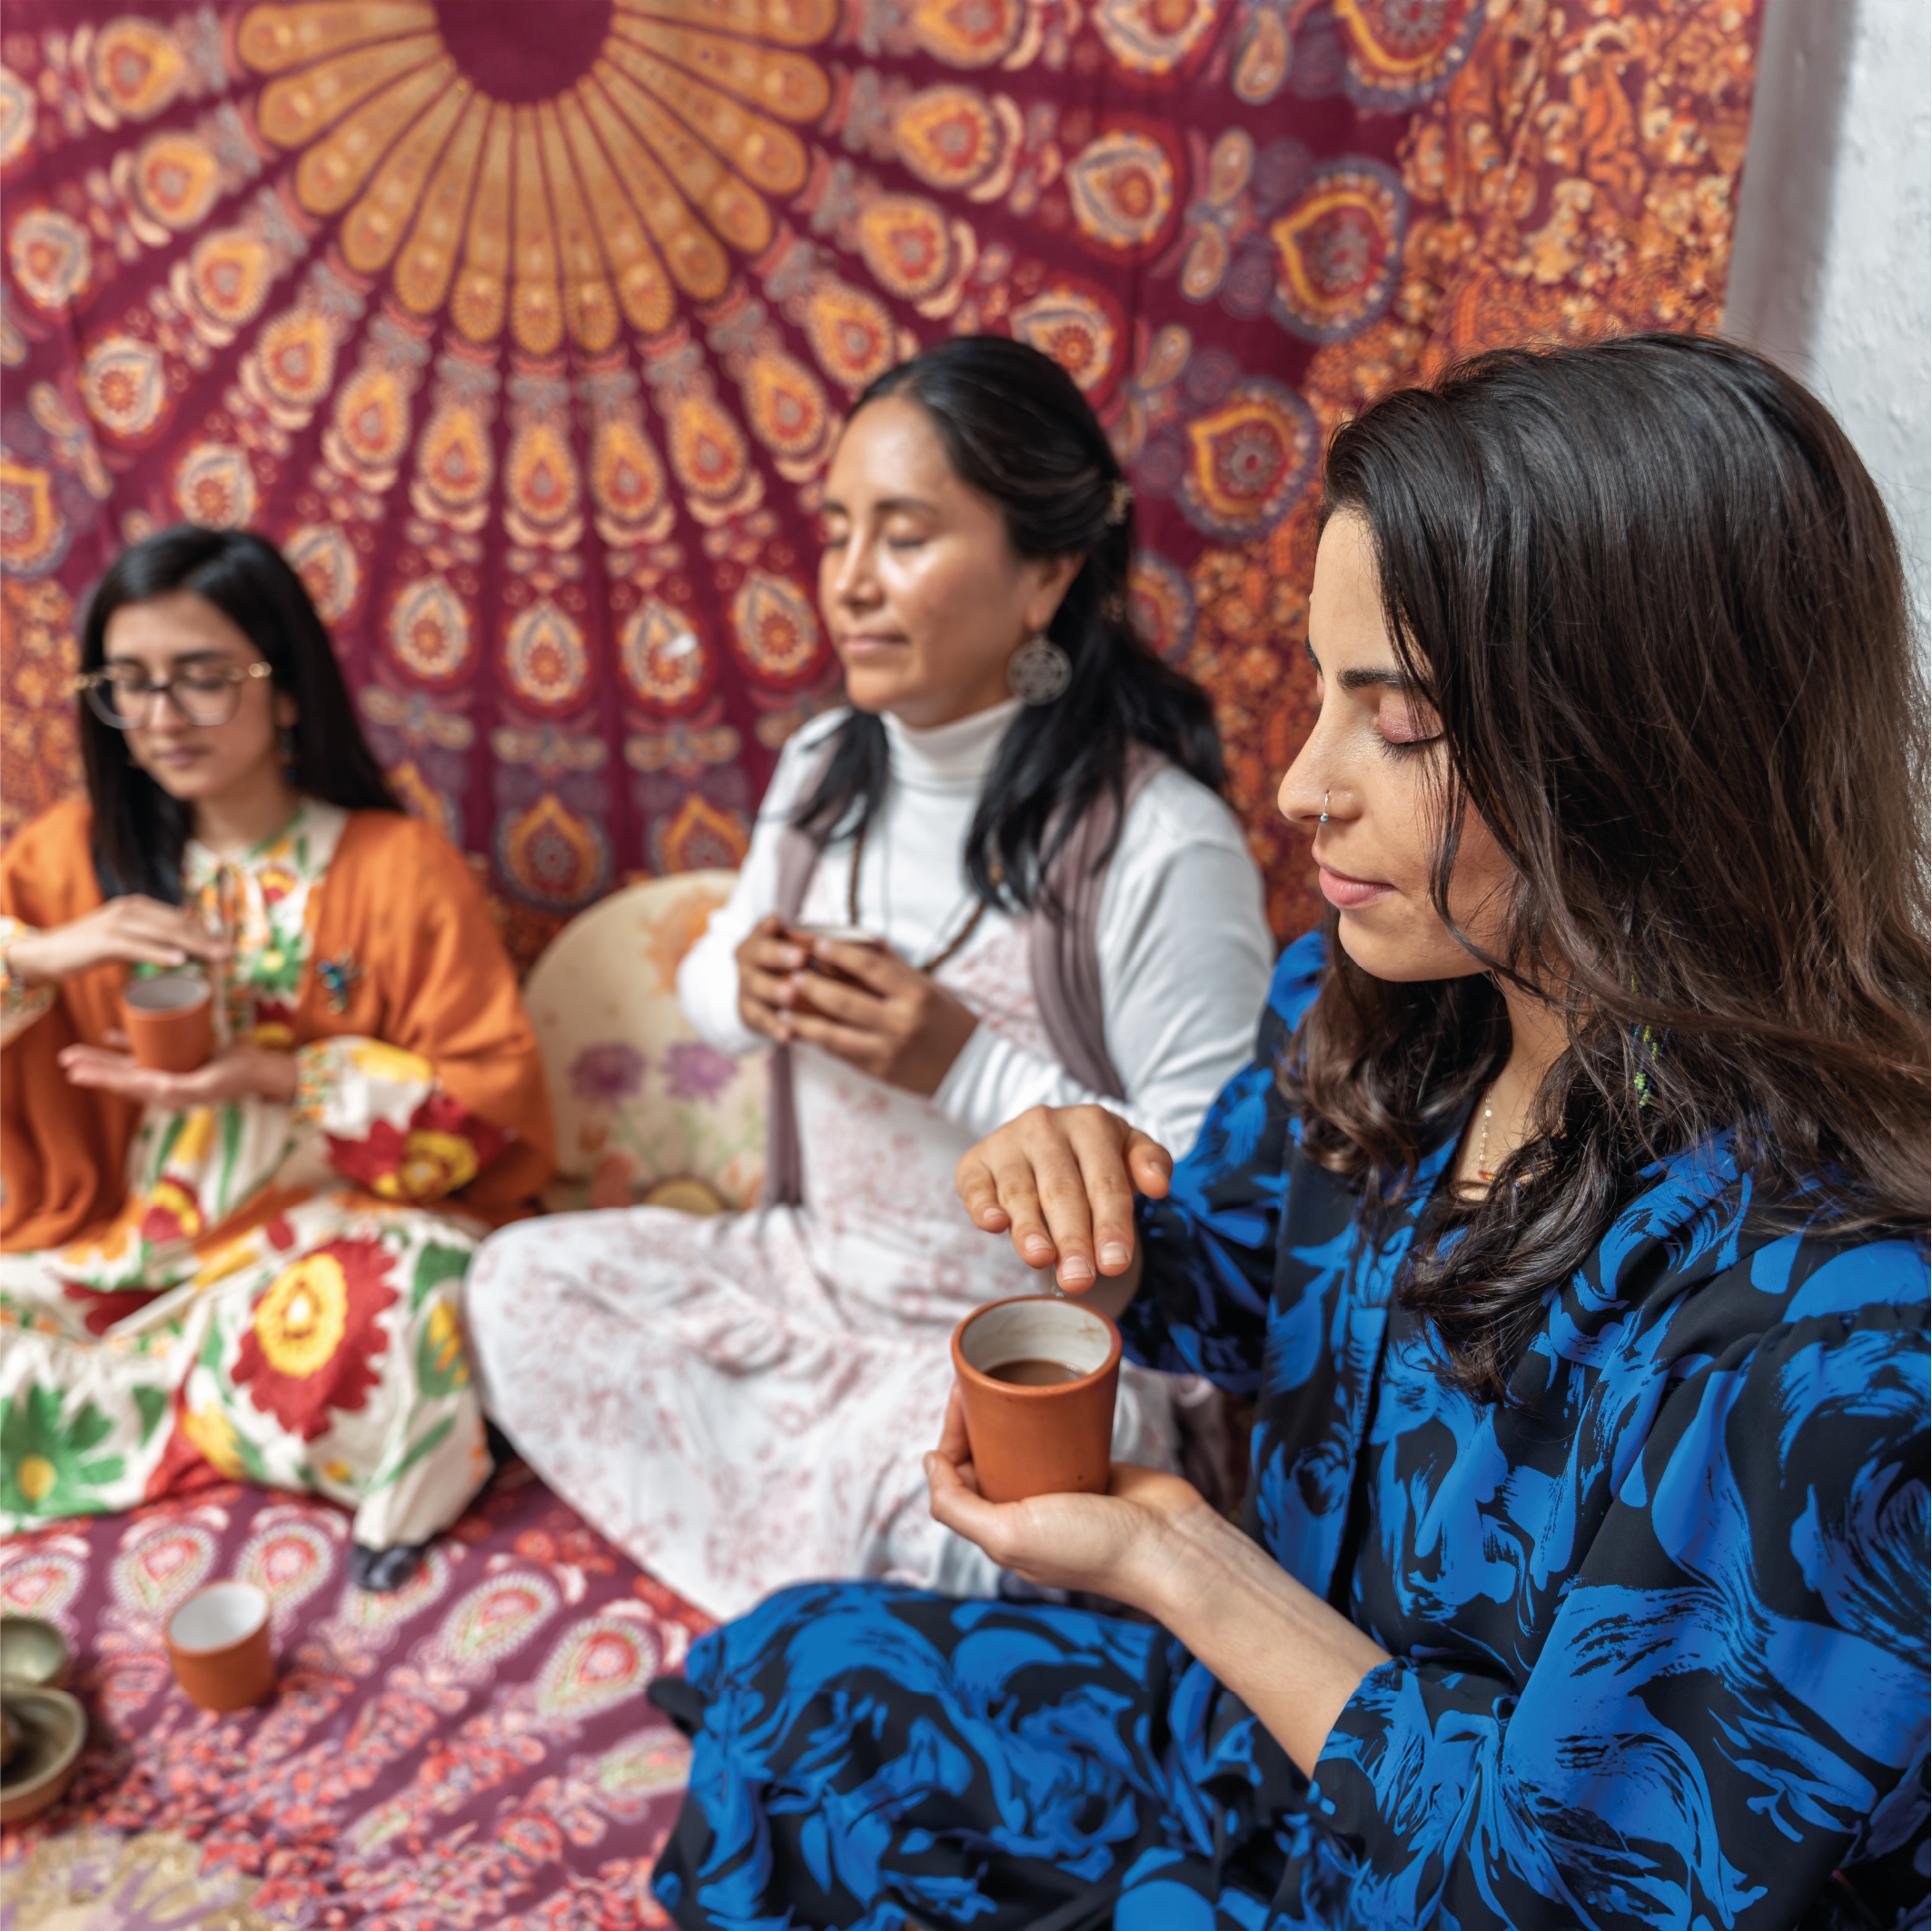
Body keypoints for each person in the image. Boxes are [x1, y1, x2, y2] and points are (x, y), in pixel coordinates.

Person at [645, 334, 1931, 1926]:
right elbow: (1239, 1279)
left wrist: (1182, 1562)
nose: (1299, 786)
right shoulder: (1379, 1005)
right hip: (1268, 1753)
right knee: (798, 1683)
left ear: (1627, 740)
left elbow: (1550, 1891)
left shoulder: (1835, 1334)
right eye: (1321, 689)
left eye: (1390, 719)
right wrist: (1098, 1227)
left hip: (1449, 1873)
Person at [468, 337, 1274, 1618]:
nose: (845, 583)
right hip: (813, 1271)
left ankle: (846, 1586)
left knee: (983, 1515)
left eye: (901, 536)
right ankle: (839, 1591)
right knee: (517, 1285)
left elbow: (1224, 1200)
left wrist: (957, 1061)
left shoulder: (1161, 841)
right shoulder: (828, 763)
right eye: (836, 532)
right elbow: (707, 991)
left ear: (1045, 575)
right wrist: (753, 985)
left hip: (1024, 1350)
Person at [0, 526, 551, 1586]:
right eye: (132, 684)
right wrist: (52, 952)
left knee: (417, 1287)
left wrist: (270, 1072)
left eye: (203, 678)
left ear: (288, 689)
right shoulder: (71, 856)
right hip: (116, 1249)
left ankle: (173, 1408)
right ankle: (213, 1410)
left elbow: (487, 1113)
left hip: (308, 1246)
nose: (163, 718)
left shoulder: (397, 865)